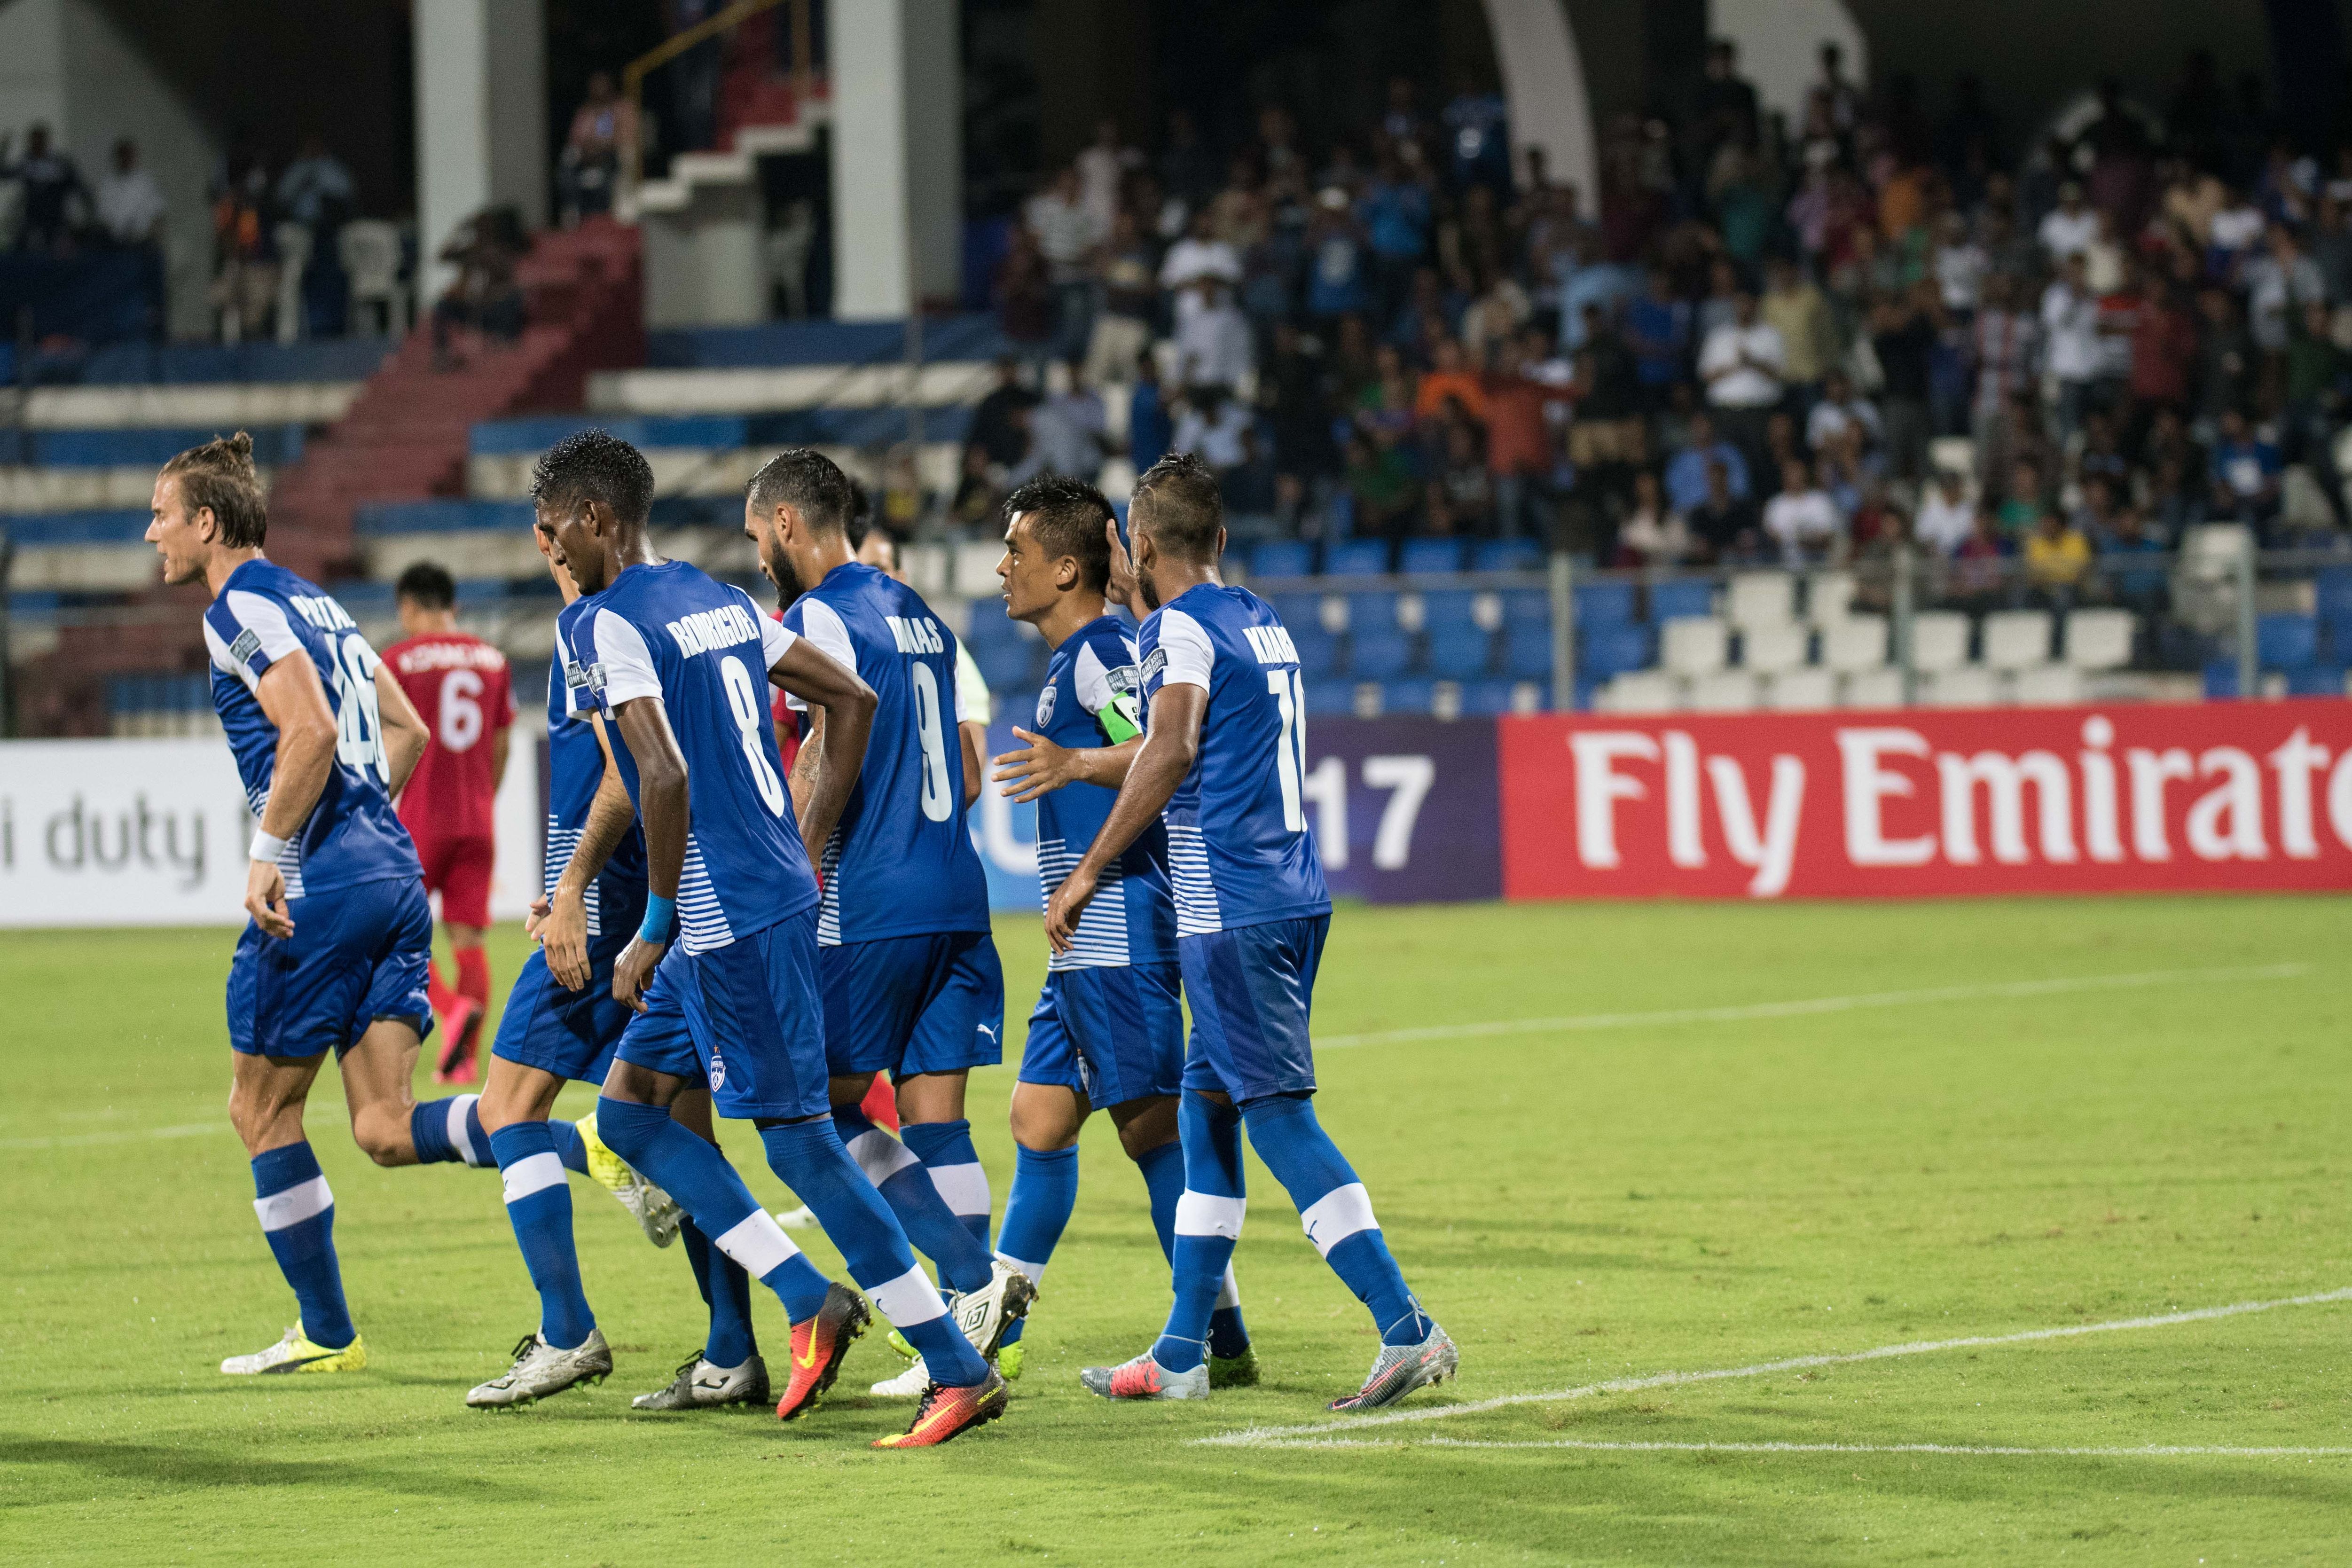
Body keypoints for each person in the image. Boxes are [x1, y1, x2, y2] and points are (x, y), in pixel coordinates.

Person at [549, 431, 1010, 1448]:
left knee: (804, 1141)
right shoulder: (713, 597)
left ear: (595, 520)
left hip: (728, 913)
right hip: (755, 897)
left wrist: (654, 925)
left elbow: (659, 776)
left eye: (550, 527)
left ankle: (955, 1365)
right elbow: (851, 699)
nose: (544, 548)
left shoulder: (606, 621)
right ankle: (809, 1296)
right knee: (625, 1119)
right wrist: (792, 847)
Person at [1055, 453, 1454, 1408]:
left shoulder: (1178, 632)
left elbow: (1172, 744)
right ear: (1221, 541)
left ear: (1141, 544)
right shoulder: (1257, 618)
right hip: (1288, 891)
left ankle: (1408, 1328)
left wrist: (1090, 867)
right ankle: (1184, 1352)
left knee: (1277, 1117)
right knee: (1207, 1112)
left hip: (1229, 905)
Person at [143, 433, 499, 1378]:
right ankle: (578, 1139)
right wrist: (368, 821)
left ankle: (328, 1333)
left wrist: (273, 855)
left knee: (260, 1112)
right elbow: (406, 728)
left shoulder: (238, 608)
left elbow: (310, 726)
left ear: (207, 522)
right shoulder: (316, 601)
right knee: (384, 1125)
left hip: (322, 886)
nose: (151, 533)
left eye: (163, 514)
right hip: (391, 871)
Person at [750, 450, 1030, 1401]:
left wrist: (797, 856)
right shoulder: (918, 610)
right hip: (958, 887)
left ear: (790, 524)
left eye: (759, 540)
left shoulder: (816, 616)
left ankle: (970, 1281)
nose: (759, 562)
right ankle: (971, 1324)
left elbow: (830, 740)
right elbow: (961, 749)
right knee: (935, 1119)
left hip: (869, 901)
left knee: (817, 1107)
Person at [467, 514, 757, 1414]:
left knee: (509, 1107)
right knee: (684, 1125)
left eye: (550, 531)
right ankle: (732, 1348)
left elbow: (630, 773)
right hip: (653, 908)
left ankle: (566, 1334)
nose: (547, 546)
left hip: (607, 921)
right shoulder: (649, 612)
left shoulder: (589, 627)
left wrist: (568, 891)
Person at [983, 476, 1256, 1386]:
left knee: (1152, 1134)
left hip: (1124, 930)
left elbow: (1165, 749)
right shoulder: (1083, 657)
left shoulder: (1104, 652)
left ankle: (1214, 1342)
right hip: (1084, 943)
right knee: (1039, 1118)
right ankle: (994, 1332)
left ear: (1067, 568)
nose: (1002, 567)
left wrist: (1074, 763)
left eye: (1017, 551)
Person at [382, 563, 515, 1082]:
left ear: (409, 606)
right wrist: (484, 794)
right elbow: (502, 741)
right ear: (452, 604)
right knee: (469, 941)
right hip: (477, 819)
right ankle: (463, 1066)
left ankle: (451, 1009)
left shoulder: (398, 661)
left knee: (395, 933)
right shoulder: (494, 661)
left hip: (420, 819)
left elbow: (388, 740)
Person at [2, 125, 87, 253]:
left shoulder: (60, 164)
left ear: (46, 142)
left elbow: (78, 187)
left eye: (39, 141)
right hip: (33, 219)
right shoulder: (27, 163)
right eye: (33, 141)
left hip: (56, 220)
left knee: (58, 256)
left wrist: (82, 214)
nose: (36, 145)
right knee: (25, 253)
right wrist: (3, 150)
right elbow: (5, 175)